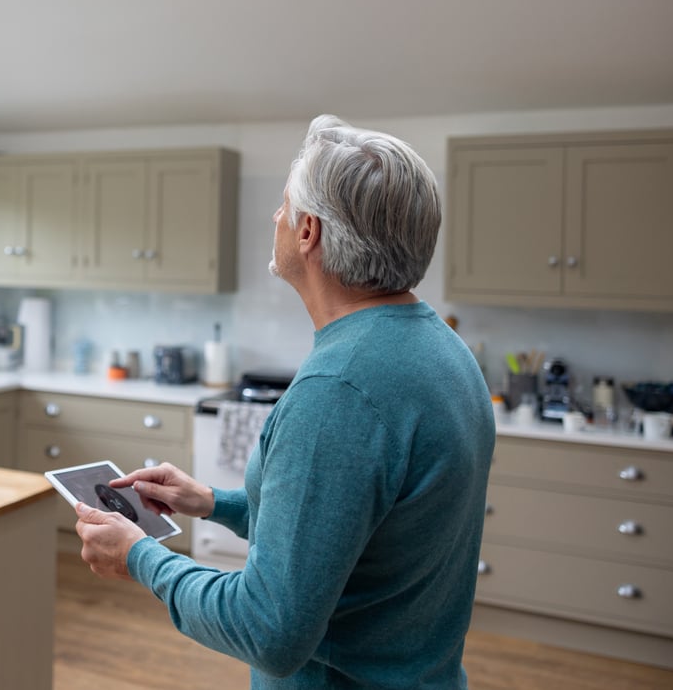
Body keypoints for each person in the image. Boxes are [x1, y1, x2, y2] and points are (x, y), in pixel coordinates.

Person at [75, 115, 495, 689]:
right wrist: (213, 502)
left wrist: (139, 556)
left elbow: (268, 630)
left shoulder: (339, 393)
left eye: (283, 204)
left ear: (308, 232)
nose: (275, 217)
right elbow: (346, 533)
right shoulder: (441, 350)